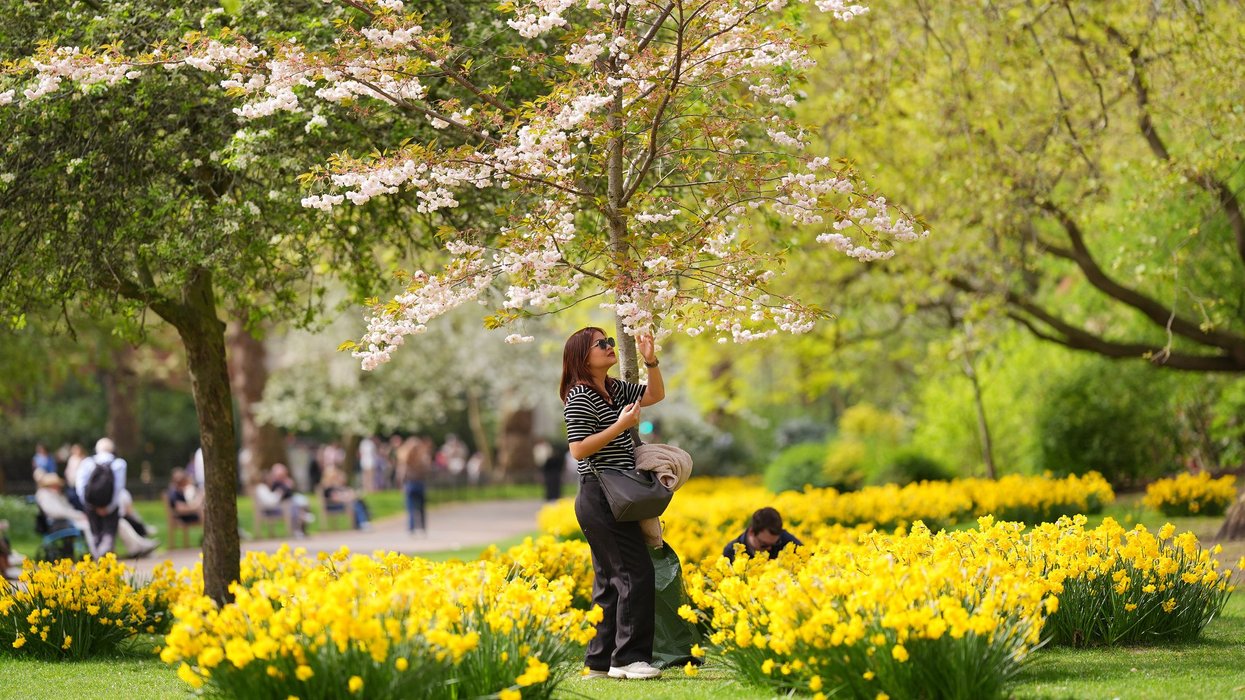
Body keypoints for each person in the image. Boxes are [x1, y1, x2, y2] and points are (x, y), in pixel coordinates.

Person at [562, 326, 666, 680]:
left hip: (615, 493)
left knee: (608, 581)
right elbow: (578, 448)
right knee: (635, 572)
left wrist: (650, 359)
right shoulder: (579, 395)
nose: (609, 347)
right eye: (601, 344)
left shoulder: (614, 388)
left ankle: (599, 662)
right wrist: (621, 426)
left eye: (610, 342)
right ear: (581, 356)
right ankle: (629, 659)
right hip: (599, 493)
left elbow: (654, 395)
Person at [42, 469, 157, 558]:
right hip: (61, 524)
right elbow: (57, 512)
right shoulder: (44, 495)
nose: (57, 487)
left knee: (118, 522)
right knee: (89, 525)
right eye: (54, 484)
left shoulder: (57, 496)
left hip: (72, 520)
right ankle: (98, 552)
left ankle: (137, 546)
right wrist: (79, 515)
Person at [74, 437, 130, 557]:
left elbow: (80, 487)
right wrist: (109, 507)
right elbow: (118, 488)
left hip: (91, 505)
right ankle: (106, 558)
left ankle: (97, 560)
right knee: (109, 533)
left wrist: (90, 505)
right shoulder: (119, 464)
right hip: (111, 505)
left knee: (95, 534)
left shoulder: (87, 463)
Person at [722, 507, 803, 562]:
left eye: (775, 543)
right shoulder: (731, 551)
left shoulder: (785, 540)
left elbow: (807, 557)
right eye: (764, 544)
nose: (769, 548)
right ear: (751, 532)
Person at [256, 463, 313, 538]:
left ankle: (302, 520)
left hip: (283, 503)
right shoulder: (265, 487)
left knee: (299, 503)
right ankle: (300, 522)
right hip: (275, 507)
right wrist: (282, 490)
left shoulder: (275, 484)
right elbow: (273, 500)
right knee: (293, 507)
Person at [319, 463, 372, 530]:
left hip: (342, 503)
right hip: (333, 505)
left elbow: (344, 492)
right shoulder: (327, 488)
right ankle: (362, 522)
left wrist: (350, 495)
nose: (335, 477)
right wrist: (345, 498)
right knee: (356, 503)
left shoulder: (335, 486)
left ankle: (362, 522)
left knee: (358, 501)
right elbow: (334, 498)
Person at [396, 436, 430, 536]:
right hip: (419, 483)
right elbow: (426, 471)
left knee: (410, 508)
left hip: (410, 484)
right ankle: (422, 527)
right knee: (421, 508)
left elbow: (401, 473)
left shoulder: (405, 459)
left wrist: (400, 484)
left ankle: (411, 528)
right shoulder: (422, 458)